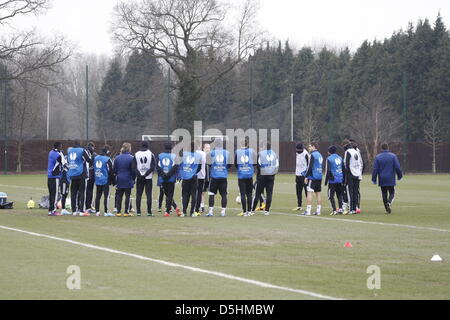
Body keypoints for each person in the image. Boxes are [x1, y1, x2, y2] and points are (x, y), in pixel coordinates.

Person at [372, 143, 403, 214]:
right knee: (392, 192)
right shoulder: (393, 156)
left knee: (384, 193)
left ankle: (386, 209)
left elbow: (375, 169)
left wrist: (374, 179)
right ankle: (389, 202)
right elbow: (397, 167)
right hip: (390, 177)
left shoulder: (378, 157)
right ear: (388, 148)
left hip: (382, 178)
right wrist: (399, 175)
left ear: (381, 148)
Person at [252, 141, 279, 216]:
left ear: (264, 146)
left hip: (262, 177)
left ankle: (252, 210)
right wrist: (272, 174)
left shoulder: (261, 154)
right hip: (271, 177)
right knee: (269, 193)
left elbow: (259, 166)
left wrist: (259, 176)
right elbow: (277, 165)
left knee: (257, 193)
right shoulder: (274, 154)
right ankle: (267, 211)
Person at [206, 138, 231, 217]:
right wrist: (224, 168)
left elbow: (209, 164)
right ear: (222, 144)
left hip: (214, 176)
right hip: (223, 176)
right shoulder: (227, 153)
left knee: (211, 194)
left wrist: (214, 167)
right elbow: (230, 164)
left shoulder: (212, 153)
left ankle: (210, 211)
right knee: (224, 194)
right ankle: (223, 212)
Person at [133, 141, 157, 217]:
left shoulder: (136, 154)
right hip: (148, 177)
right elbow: (153, 166)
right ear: (147, 146)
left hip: (139, 177)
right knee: (149, 194)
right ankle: (149, 212)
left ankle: (138, 212)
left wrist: (139, 174)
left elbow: (133, 166)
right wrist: (146, 173)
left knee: (138, 194)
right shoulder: (151, 153)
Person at [67, 141, 90, 216]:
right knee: (82, 193)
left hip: (72, 174)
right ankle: (81, 211)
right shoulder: (82, 150)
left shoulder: (70, 151)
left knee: (73, 193)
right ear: (80, 144)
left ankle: (74, 211)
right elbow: (88, 159)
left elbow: (68, 161)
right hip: (81, 174)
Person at [157, 143, 180, 217]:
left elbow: (158, 167)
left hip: (163, 179)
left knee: (167, 194)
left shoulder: (160, 155)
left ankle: (169, 209)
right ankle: (171, 209)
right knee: (169, 194)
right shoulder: (174, 156)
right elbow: (176, 167)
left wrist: (164, 175)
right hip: (171, 179)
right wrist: (169, 175)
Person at [179, 142, 202, 217]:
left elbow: (180, 165)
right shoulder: (198, 155)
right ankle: (192, 212)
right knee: (193, 194)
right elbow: (199, 167)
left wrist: (183, 173)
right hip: (194, 177)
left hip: (185, 177)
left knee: (185, 194)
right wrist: (194, 172)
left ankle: (184, 212)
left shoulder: (184, 154)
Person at [300, 142, 323, 216]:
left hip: (313, 177)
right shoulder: (320, 155)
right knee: (318, 193)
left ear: (314, 146)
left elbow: (310, 166)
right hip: (319, 176)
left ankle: (308, 211)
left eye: (310, 146)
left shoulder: (312, 155)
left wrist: (306, 176)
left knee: (309, 193)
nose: (309, 148)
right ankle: (318, 211)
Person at [235, 138, 256, 217]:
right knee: (249, 194)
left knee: (243, 194)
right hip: (249, 175)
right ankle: (250, 211)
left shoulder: (237, 152)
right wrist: (249, 167)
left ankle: (244, 212)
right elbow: (255, 162)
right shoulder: (251, 151)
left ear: (241, 144)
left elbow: (236, 164)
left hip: (241, 175)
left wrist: (241, 168)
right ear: (247, 144)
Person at [113, 143, 136, 217]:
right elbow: (133, 170)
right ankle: (126, 212)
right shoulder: (132, 158)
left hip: (119, 178)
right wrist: (133, 178)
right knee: (128, 196)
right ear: (129, 148)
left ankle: (118, 212)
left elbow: (114, 170)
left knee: (119, 195)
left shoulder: (117, 158)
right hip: (128, 179)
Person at [342, 139, 363, 215]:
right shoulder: (355, 151)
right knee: (355, 192)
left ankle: (351, 209)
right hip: (357, 174)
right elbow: (360, 163)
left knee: (350, 192)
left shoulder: (347, 152)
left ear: (345, 145)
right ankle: (355, 208)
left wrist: (345, 177)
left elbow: (346, 165)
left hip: (350, 174)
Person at [94, 145, 114, 217]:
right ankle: (106, 211)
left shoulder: (96, 158)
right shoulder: (107, 159)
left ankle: (97, 211)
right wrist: (113, 181)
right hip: (105, 180)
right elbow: (111, 171)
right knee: (106, 196)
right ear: (107, 152)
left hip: (98, 179)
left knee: (98, 196)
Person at [324, 146, 344, 215]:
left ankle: (334, 210)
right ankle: (341, 209)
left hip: (333, 180)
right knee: (339, 195)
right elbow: (343, 168)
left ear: (329, 152)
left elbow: (328, 171)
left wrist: (326, 181)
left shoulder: (329, 159)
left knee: (331, 196)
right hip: (340, 179)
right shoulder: (340, 157)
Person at [47, 142, 65, 216]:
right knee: (55, 194)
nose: (62, 148)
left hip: (50, 176)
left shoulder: (51, 152)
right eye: (61, 146)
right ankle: (53, 210)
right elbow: (63, 163)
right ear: (58, 147)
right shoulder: (57, 155)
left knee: (51, 194)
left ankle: (50, 209)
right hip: (55, 177)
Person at [293, 143, 310, 212]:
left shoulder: (306, 154)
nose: (298, 151)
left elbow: (309, 165)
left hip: (304, 176)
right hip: (297, 175)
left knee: (307, 191)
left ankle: (308, 206)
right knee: (298, 191)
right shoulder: (297, 153)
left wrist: (307, 175)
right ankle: (299, 206)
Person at [194, 142, 210, 216]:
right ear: (203, 148)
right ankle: (201, 206)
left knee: (203, 192)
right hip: (201, 176)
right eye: (207, 148)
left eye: (209, 148)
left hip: (207, 177)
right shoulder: (202, 154)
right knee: (201, 192)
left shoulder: (209, 156)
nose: (208, 149)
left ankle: (199, 206)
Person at [350, 139, 364, 214]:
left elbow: (362, 163)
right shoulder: (354, 151)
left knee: (356, 191)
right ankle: (354, 206)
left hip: (356, 174)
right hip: (356, 173)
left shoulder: (356, 152)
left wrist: (360, 173)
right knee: (354, 190)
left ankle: (356, 206)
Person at [84, 142, 97, 214]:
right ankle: (86, 207)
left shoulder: (93, 155)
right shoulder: (93, 155)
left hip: (89, 176)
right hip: (88, 176)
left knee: (88, 192)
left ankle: (87, 206)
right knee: (88, 192)